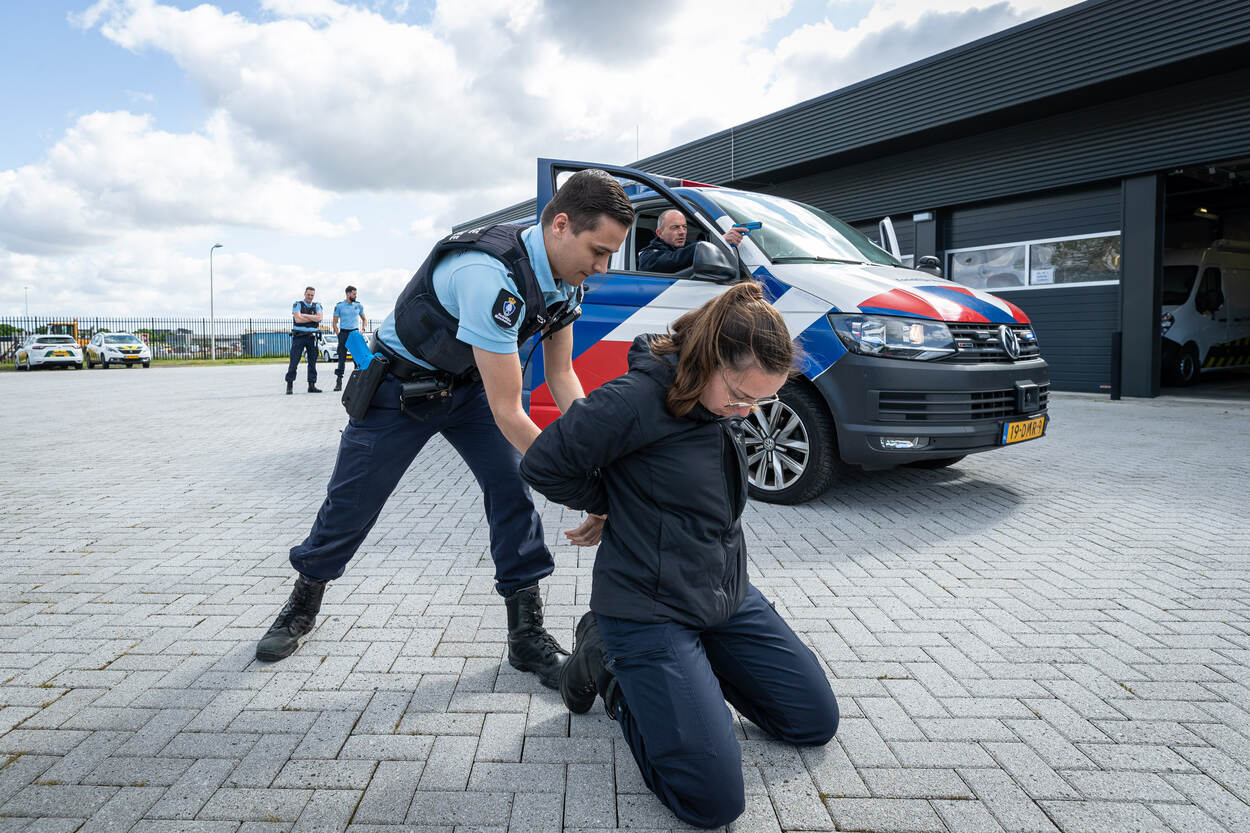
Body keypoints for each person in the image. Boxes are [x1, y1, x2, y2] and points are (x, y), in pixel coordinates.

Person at [255, 170, 635, 691]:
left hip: (469, 389)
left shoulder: (565, 281)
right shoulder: (489, 276)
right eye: (598, 251)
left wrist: (597, 460)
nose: (602, 267)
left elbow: (563, 375)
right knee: (352, 502)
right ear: (561, 225)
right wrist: (587, 490)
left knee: (513, 489)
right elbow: (510, 410)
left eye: (610, 255)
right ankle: (303, 602)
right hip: (398, 391)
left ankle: (526, 636)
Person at [519, 282, 839, 829]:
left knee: (812, 722)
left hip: (722, 593)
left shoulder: (721, 398)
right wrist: (611, 502)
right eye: (740, 396)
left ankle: (686, 671)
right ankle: (612, 670)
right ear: (709, 359)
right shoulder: (634, 399)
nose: (747, 411)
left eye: (761, 401)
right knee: (712, 803)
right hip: (648, 607)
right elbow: (543, 465)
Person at [638, 208, 746, 273]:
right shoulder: (647, 256)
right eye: (675, 227)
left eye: (684, 227)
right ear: (660, 233)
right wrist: (718, 242)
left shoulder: (687, 247)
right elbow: (674, 260)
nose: (682, 232)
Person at [286, 286, 323, 395]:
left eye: (312, 295)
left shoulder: (317, 305)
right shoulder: (297, 304)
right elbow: (297, 319)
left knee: (312, 362)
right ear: (304, 294)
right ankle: (289, 385)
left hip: (312, 337)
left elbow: (319, 318)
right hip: (299, 337)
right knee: (294, 361)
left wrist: (304, 316)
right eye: (308, 294)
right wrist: (312, 317)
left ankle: (311, 385)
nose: (310, 297)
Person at [331, 285, 368, 391]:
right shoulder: (339, 306)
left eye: (356, 294)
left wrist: (363, 329)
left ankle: (358, 382)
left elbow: (364, 319)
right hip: (343, 334)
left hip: (355, 334)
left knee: (357, 359)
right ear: (348, 294)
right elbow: (334, 322)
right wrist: (338, 334)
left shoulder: (358, 305)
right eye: (354, 294)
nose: (355, 296)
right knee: (341, 359)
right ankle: (338, 382)